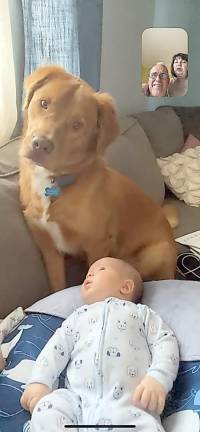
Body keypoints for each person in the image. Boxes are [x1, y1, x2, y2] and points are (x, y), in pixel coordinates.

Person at [21, 257, 179, 432]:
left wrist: (158, 378)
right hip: (77, 403)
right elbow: (55, 349)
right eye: (89, 272)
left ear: (126, 287)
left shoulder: (142, 314)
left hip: (128, 405)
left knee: (146, 426)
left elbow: (165, 341)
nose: (90, 273)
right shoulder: (77, 317)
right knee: (47, 407)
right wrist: (39, 381)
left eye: (101, 269)